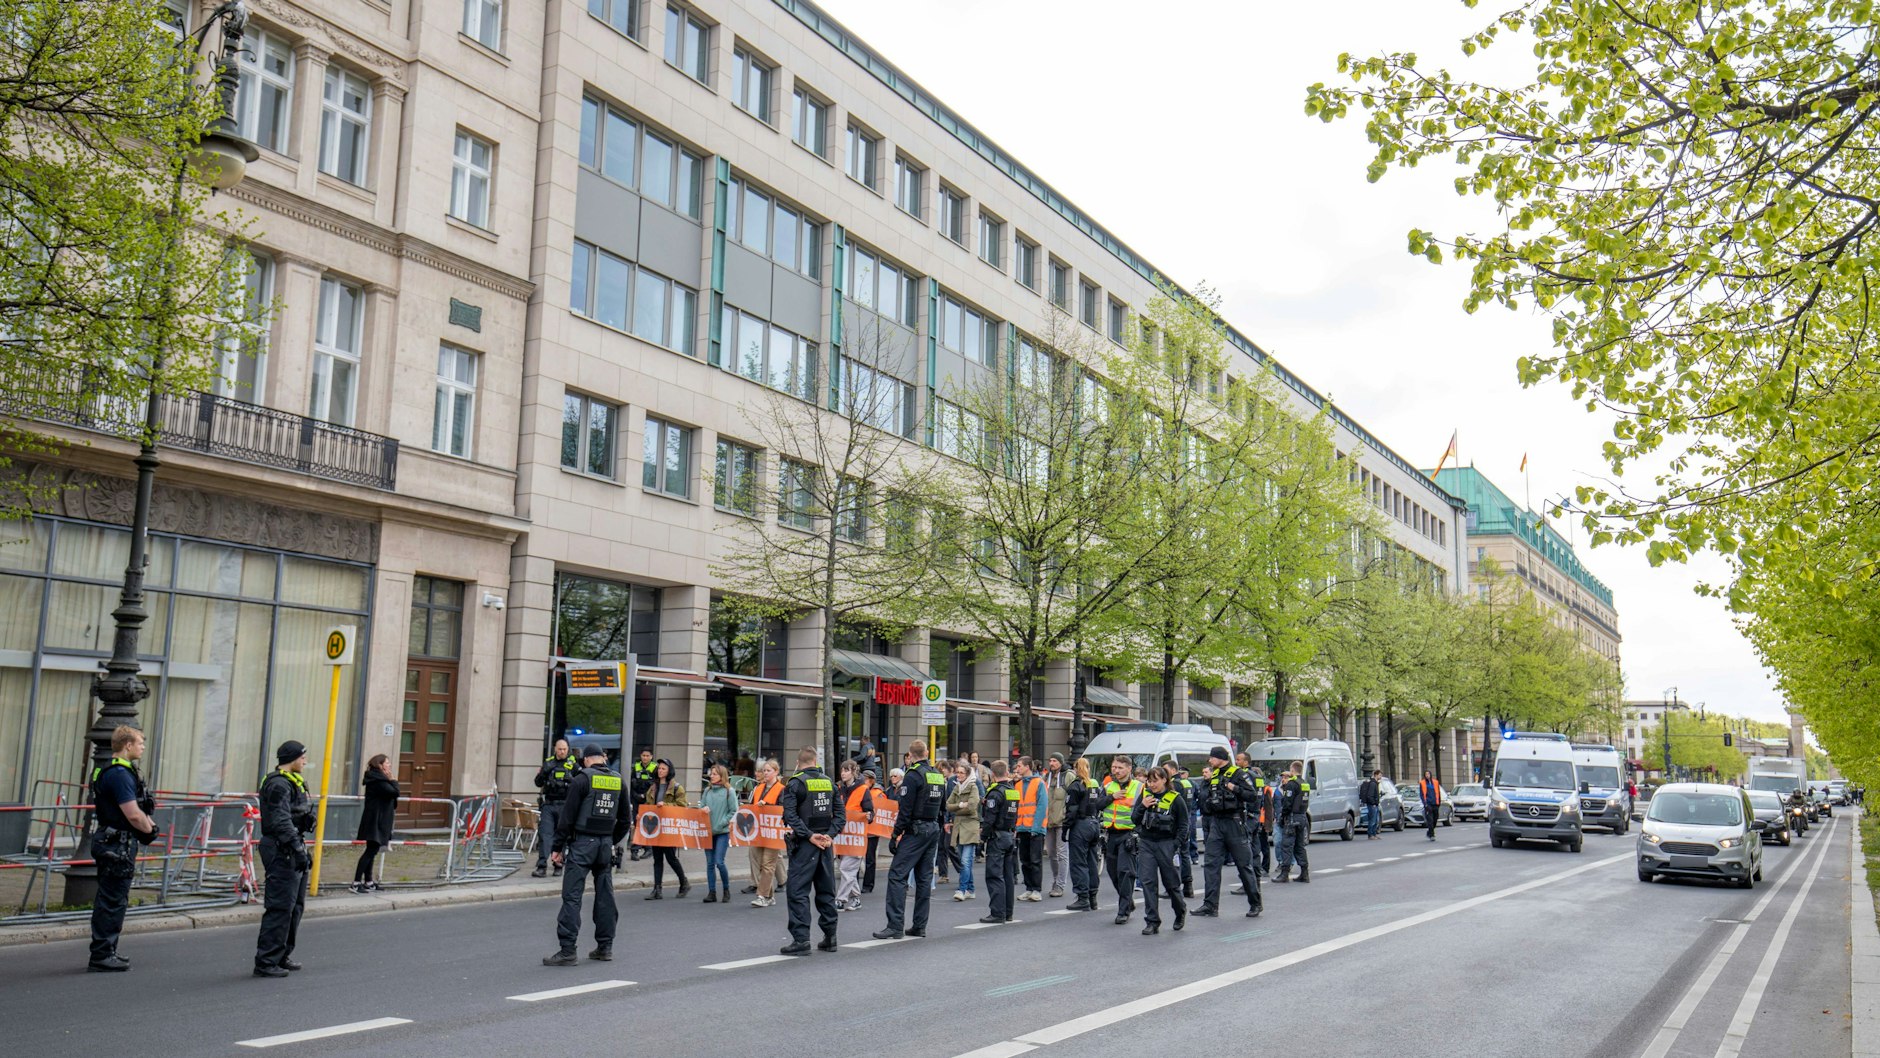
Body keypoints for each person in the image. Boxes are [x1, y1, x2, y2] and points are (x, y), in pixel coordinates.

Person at [542, 745, 629, 965]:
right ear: (603, 758)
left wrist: (557, 847)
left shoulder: (581, 779)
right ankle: (605, 947)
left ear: (587, 760)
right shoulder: (619, 780)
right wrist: (610, 838)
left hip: (582, 844)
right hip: (604, 846)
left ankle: (568, 950)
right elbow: (626, 820)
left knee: (572, 897)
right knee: (605, 897)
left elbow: (567, 817)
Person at [87, 725, 159, 972]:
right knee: (112, 900)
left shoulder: (112, 770)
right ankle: (102, 955)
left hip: (112, 841)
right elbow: (133, 813)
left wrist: (147, 823)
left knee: (112, 898)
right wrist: (150, 831)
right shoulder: (119, 774)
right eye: (140, 742)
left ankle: (107, 951)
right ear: (127, 745)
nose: (143, 746)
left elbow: (139, 809)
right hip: (117, 844)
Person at [254, 740, 315, 978]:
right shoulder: (279, 784)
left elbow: (290, 816)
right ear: (292, 758)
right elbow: (279, 820)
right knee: (280, 907)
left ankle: (281, 955)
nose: (305, 761)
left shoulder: (291, 782)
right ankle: (266, 961)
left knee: (295, 906)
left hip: (292, 844)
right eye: (303, 757)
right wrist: (297, 848)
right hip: (283, 848)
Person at [875, 740, 946, 939]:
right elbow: (943, 805)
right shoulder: (937, 775)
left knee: (897, 875)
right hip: (932, 828)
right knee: (924, 879)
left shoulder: (913, 775)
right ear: (927, 752)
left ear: (910, 755)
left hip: (916, 830)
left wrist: (896, 834)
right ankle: (919, 926)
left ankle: (895, 925)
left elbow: (905, 810)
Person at [779, 746, 844, 955]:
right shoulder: (829, 782)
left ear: (798, 763)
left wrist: (809, 835)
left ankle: (801, 940)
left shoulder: (795, 783)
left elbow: (790, 816)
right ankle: (830, 938)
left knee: (797, 891)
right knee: (826, 891)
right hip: (825, 845)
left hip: (806, 845)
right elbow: (841, 816)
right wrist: (829, 836)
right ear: (816, 762)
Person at [1195, 746, 1262, 918]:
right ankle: (1210, 905)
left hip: (1234, 823)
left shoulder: (1238, 774)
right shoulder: (1215, 775)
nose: (1210, 761)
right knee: (1211, 864)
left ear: (1220, 758)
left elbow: (1252, 796)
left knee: (1244, 864)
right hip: (1217, 823)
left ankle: (1255, 903)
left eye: (1212, 758)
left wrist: (1234, 788)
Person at [1132, 766, 1189, 935]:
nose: (1152, 784)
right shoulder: (1145, 796)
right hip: (1147, 843)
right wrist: (1142, 805)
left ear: (1164, 779)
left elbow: (1184, 824)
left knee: (1171, 884)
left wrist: (1175, 845)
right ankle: (1152, 921)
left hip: (1166, 844)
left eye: (1155, 780)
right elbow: (1134, 819)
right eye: (1149, 780)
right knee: (1148, 882)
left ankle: (1180, 911)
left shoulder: (1176, 798)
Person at [1097, 755, 1142, 924]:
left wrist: (1138, 832)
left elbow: (1143, 810)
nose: (1115, 770)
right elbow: (1097, 805)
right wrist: (1112, 797)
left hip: (1128, 835)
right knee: (1113, 872)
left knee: (1125, 872)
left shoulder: (1139, 787)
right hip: (1111, 835)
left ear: (1129, 769)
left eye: (1120, 768)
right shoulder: (1108, 786)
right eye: (1114, 767)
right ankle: (1128, 901)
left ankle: (1123, 911)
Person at [531, 739, 581, 877]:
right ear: (555, 749)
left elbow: (582, 782)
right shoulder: (548, 763)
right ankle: (542, 866)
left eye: (565, 749)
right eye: (560, 749)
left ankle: (558, 864)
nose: (562, 752)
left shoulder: (573, 765)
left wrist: (572, 781)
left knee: (561, 836)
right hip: (549, 804)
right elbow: (537, 782)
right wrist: (543, 772)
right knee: (545, 834)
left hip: (565, 805)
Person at [978, 760, 1019, 924]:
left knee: (995, 876)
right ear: (1007, 772)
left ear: (992, 775)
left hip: (997, 837)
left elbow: (990, 819)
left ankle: (997, 913)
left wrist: (982, 838)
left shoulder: (995, 793)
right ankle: (1008, 912)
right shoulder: (1012, 791)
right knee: (1008, 876)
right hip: (1009, 836)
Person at [641, 759, 690, 899]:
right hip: (655, 826)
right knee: (657, 858)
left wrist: (666, 805)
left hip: (669, 826)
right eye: (659, 768)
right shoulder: (653, 787)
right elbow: (648, 804)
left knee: (671, 857)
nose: (661, 770)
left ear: (669, 770)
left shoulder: (677, 787)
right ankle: (657, 889)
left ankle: (683, 882)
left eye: (663, 768)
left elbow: (682, 807)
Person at [351, 754, 398, 892]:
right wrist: (393, 780)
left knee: (372, 851)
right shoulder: (378, 780)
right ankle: (355, 883)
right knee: (370, 851)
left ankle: (368, 881)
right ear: (380, 765)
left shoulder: (377, 779)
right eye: (387, 763)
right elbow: (394, 792)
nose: (389, 765)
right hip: (376, 821)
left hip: (377, 819)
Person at [748, 759, 788, 907]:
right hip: (759, 831)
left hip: (773, 832)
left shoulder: (782, 789)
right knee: (759, 863)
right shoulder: (759, 788)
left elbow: (783, 808)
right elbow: (751, 808)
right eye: (764, 770)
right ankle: (769, 895)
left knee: (768, 864)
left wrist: (768, 805)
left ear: (776, 772)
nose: (765, 773)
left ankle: (762, 896)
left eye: (768, 770)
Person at [1064, 757, 1102, 911]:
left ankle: (1082, 897)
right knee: (1092, 862)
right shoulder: (1093, 784)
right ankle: (1093, 897)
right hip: (1094, 823)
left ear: (1075, 768)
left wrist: (1066, 828)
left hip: (1081, 825)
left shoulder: (1075, 786)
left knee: (1078, 862)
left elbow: (1071, 810)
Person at [836, 761, 872, 912]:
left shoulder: (863, 790)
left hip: (856, 837)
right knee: (848, 870)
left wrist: (869, 816)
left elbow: (870, 811)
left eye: (846, 770)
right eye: (842, 770)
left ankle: (840, 899)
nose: (843, 773)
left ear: (853, 772)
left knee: (846, 869)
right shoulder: (839, 789)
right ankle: (856, 898)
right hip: (843, 837)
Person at [700, 764, 738, 903]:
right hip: (708, 832)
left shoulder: (729, 791)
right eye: (711, 773)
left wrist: (722, 822)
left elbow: (733, 810)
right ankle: (712, 892)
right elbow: (701, 806)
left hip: (722, 832)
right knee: (710, 863)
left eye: (715, 774)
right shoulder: (707, 791)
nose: (711, 775)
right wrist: (702, 809)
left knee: (719, 862)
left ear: (722, 776)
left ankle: (726, 889)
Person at [1013, 757, 1046, 901]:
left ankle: (1036, 889)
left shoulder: (1039, 783)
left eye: (1019, 766)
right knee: (1025, 860)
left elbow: (1042, 806)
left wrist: (1036, 827)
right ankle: (1029, 888)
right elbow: (1015, 807)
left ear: (1027, 767)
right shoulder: (1018, 784)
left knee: (1035, 860)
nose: (1017, 769)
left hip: (1035, 829)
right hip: (1022, 828)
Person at [947, 759, 980, 901]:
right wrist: (961, 805)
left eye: (961, 773)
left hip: (970, 827)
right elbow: (948, 805)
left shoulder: (973, 787)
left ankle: (961, 890)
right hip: (959, 828)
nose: (958, 775)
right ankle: (970, 889)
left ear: (967, 774)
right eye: (957, 772)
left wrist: (957, 807)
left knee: (966, 861)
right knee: (963, 861)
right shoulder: (957, 787)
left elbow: (972, 807)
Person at [1275, 761, 1311, 883]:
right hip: (1302, 817)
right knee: (1300, 846)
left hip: (1292, 818)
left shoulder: (1292, 784)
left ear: (1292, 770)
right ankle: (1304, 873)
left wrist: (1282, 817)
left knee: (1287, 845)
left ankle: (1284, 874)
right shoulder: (1304, 783)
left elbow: (1287, 803)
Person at [1167, 762, 1199, 898]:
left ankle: (1174, 885)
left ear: (1173, 770)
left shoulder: (1174, 784)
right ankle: (1188, 886)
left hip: (1176, 823)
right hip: (1188, 820)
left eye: (1166, 770)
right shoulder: (1187, 783)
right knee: (1185, 855)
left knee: (1173, 855)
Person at [628, 748, 657, 860]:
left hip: (648, 800)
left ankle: (647, 848)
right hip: (636, 799)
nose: (645, 758)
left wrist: (646, 795)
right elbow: (631, 782)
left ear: (651, 757)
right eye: (643, 755)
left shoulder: (654, 768)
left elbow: (655, 785)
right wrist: (635, 796)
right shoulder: (635, 767)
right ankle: (637, 849)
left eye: (647, 756)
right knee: (637, 824)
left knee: (646, 824)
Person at [860, 768, 883, 894]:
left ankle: (868, 885)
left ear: (871, 780)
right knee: (856, 857)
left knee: (870, 859)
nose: (863, 781)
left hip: (872, 831)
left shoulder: (878, 793)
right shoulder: (860, 790)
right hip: (860, 829)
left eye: (865, 779)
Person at [1419, 771, 1443, 840]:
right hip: (1428, 804)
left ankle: (1429, 831)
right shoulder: (1422, 783)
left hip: (1435, 803)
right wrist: (1425, 804)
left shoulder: (1435, 782)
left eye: (1428, 774)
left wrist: (1439, 802)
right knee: (1430, 820)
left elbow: (1438, 793)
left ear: (1430, 774)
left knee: (1435, 819)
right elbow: (1421, 795)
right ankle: (1432, 835)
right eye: (1426, 774)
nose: (1427, 775)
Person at [1359, 769, 1382, 841]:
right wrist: (1373, 803)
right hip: (1372, 805)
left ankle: (1374, 834)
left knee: (1375, 820)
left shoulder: (1375, 783)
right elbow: (1370, 795)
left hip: (1375, 804)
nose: (1381, 776)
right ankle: (1370, 835)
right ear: (1376, 775)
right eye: (1380, 775)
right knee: (1372, 820)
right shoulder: (1373, 784)